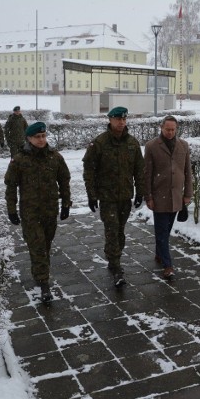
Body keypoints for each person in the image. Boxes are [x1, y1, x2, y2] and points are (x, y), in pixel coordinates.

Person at [4, 122, 72, 305]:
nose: (41, 140)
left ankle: (39, 272)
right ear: (29, 139)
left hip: (50, 211)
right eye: (37, 137)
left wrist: (66, 204)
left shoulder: (55, 157)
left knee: (46, 245)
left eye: (43, 136)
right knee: (38, 246)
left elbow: (64, 181)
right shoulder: (19, 160)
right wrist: (11, 210)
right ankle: (44, 283)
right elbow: (11, 187)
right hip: (30, 213)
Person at [83, 106, 145, 288]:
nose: (121, 122)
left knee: (119, 232)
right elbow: (89, 171)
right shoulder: (99, 143)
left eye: (124, 119)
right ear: (110, 120)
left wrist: (140, 192)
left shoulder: (132, 143)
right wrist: (92, 196)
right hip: (107, 197)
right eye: (118, 119)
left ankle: (113, 257)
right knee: (112, 230)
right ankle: (117, 267)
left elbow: (139, 171)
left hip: (125, 197)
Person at [143, 115, 193, 280]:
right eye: (167, 129)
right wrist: (148, 196)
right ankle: (168, 265)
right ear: (161, 128)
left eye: (173, 129)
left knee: (166, 230)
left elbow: (187, 172)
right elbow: (147, 173)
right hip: (159, 197)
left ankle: (159, 253)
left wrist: (188, 194)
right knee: (162, 231)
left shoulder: (183, 145)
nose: (170, 132)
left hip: (176, 196)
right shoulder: (151, 146)